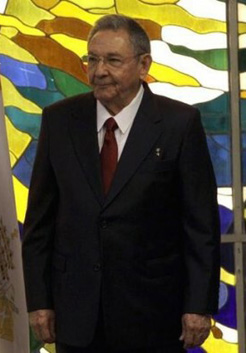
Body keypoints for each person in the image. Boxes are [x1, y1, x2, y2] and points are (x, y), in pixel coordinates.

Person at [22, 14, 220, 353]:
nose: (99, 70)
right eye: (93, 59)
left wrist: (198, 306)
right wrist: (39, 300)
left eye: (113, 60)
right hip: (76, 315)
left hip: (154, 314)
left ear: (144, 65)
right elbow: (40, 221)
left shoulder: (179, 124)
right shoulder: (59, 121)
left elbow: (200, 224)